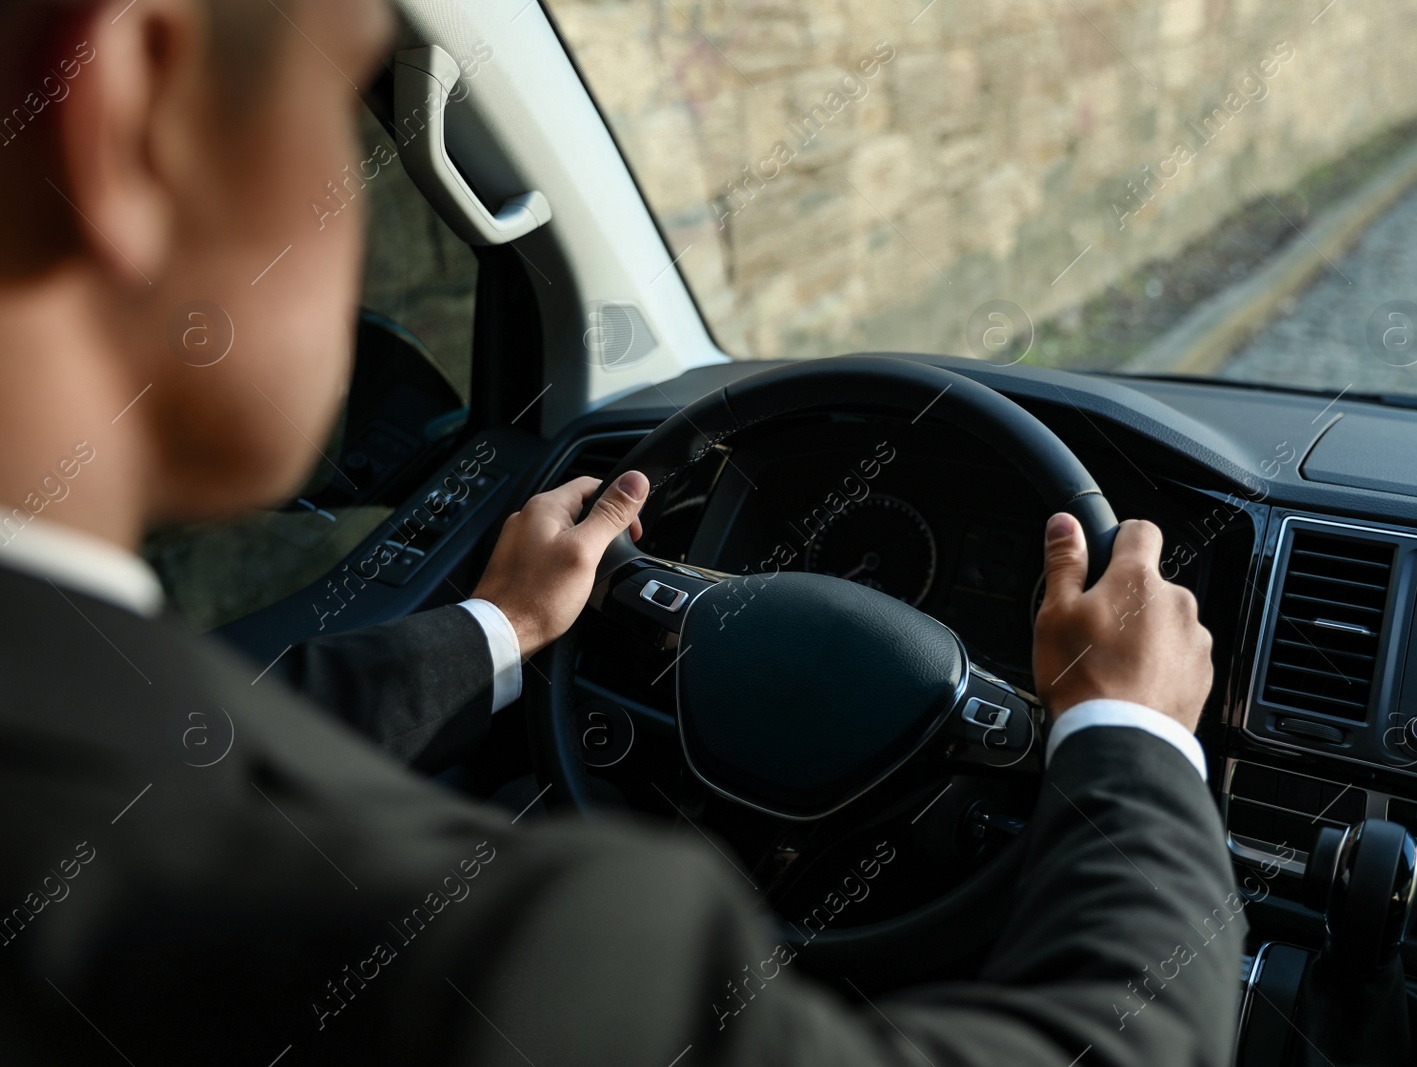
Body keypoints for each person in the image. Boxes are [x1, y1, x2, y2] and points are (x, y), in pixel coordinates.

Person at [0, 1, 1241, 1064]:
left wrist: (505, 624)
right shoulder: (512, 964)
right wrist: (1124, 730)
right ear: (131, 112)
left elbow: (217, 737)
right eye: (342, 100)